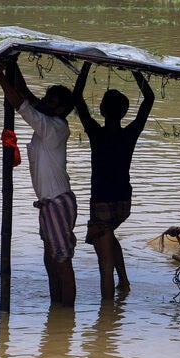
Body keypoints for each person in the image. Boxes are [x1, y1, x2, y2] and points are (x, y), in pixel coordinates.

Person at [0, 57, 79, 307]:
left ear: (60, 109)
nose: (44, 102)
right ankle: (58, 314)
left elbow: (22, 102)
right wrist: (12, 67)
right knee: (51, 262)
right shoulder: (49, 122)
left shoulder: (53, 126)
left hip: (56, 203)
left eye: (51, 101)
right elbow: (27, 98)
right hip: (49, 203)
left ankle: (66, 315)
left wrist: (1, 76)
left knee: (61, 263)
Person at [73, 63, 155, 300]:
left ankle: (106, 322)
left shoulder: (96, 133)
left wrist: (86, 66)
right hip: (123, 204)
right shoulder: (129, 134)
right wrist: (133, 68)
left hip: (102, 205)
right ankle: (125, 283)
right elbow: (148, 98)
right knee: (110, 238)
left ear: (101, 110)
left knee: (104, 267)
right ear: (124, 112)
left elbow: (77, 97)